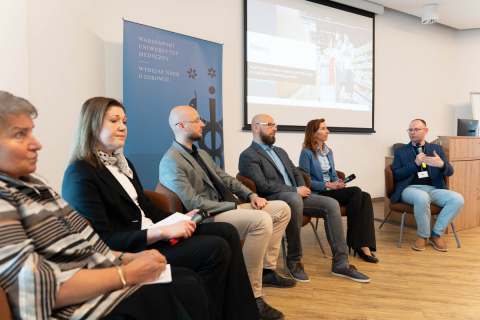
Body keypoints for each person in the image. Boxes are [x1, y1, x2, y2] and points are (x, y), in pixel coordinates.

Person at [0, 91, 217, 320]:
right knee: (186, 285)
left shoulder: (36, 187)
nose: (37, 144)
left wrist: (126, 259)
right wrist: (126, 274)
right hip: (83, 301)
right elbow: (35, 288)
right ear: (92, 127)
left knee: (188, 279)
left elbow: (89, 244)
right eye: (20, 135)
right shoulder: (12, 196)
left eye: (124, 121)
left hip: (104, 266)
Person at [62, 97, 258, 320]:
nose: (123, 127)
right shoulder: (80, 173)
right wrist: (161, 232)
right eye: (114, 120)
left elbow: (147, 210)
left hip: (156, 234)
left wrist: (180, 217)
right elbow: (103, 240)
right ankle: (206, 313)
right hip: (135, 248)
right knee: (216, 249)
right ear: (92, 125)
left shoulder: (123, 163)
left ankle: (243, 314)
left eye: (124, 121)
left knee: (227, 231)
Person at [160, 105, 293, 320]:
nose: (203, 124)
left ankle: (266, 271)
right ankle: (253, 296)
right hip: (207, 216)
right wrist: (234, 206)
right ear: (181, 126)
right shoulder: (171, 161)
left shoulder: (201, 152)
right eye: (197, 120)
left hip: (227, 206)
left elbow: (227, 179)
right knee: (261, 220)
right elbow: (194, 202)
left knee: (282, 209)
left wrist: (251, 196)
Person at [239, 114, 371, 283]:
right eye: (270, 125)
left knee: (331, 203)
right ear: (256, 128)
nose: (275, 128)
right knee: (293, 199)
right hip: (274, 200)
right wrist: (295, 190)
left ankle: (341, 263)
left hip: (296, 196)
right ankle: (294, 260)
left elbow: (296, 172)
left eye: (275, 124)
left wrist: (303, 188)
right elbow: (263, 185)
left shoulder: (280, 151)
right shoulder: (248, 155)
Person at [298, 119, 378, 263]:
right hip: (319, 193)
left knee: (365, 196)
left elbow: (333, 173)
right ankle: (355, 243)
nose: (327, 131)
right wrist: (328, 185)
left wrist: (338, 183)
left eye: (326, 128)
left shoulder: (329, 152)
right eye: (323, 129)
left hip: (331, 190)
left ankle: (363, 245)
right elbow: (306, 181)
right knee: (357, 192)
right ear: (313, 133)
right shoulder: (306, 153)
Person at [391, 119, 464, 252]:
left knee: (457, 199)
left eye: (416, 129)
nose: (413, 132)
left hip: (433, 189)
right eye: (410, 130)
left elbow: (450, 171)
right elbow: (396, 175)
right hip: (409, 189)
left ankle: (436, 234)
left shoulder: (437, 149)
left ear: (426, 131)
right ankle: (423, 235)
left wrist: (441, 165)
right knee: (422, 197)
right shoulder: (400, 151)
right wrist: (415, 164)